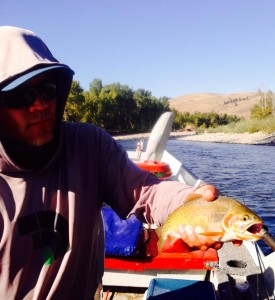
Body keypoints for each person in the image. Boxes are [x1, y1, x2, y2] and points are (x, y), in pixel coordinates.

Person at [0, 26, 220, 299]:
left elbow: (147, 193)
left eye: (47, 90)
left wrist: (190, 201)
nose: (39, 105)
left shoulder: (88, 145)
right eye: (20, 96)